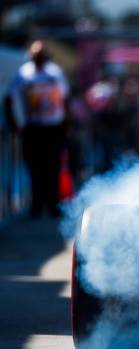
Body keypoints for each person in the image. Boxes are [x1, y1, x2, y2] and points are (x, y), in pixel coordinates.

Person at [4, 41, 69, 218]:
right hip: (34, 128)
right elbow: (9, 98)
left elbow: (65, 98)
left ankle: (53, 205)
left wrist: (65, 124)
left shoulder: (55, 72)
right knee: (35, 168)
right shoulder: (24, 73)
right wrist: (15, 125)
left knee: (53, 167)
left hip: (53, 127)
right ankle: (37, 206)